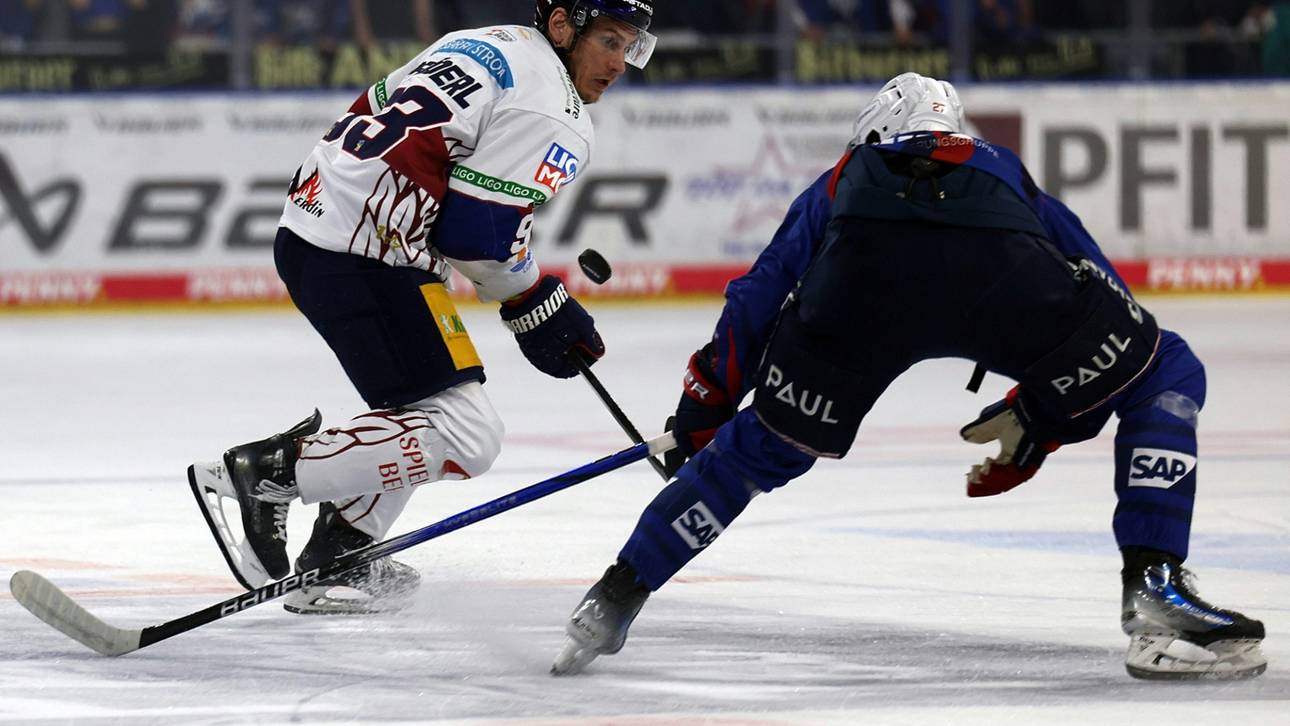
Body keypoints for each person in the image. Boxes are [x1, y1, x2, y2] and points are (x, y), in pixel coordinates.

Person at [552, 72, 1268, 680]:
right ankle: (1154, 589)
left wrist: (700, 417)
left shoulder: (842, 177)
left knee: (754, 453)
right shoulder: (995, 161)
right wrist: (1043, 418)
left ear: (873, 132)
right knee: (1164, 368)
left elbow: (755, 299)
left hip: (860, 289)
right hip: (1002, 275)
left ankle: (614, 597)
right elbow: (1105, 300)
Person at [187, 0, 658, 615]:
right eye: (610, 42)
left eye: (630, 48)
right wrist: (539, 302)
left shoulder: (485, 41)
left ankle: (341, 551)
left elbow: (372, 112)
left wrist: (520, 296)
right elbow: (474, 237)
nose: (620, 64)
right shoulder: (554, 110)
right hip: (365, 254)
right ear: (563, 27)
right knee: (468, 434)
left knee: (429, 406)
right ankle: (269, 473)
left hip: (325, 230)